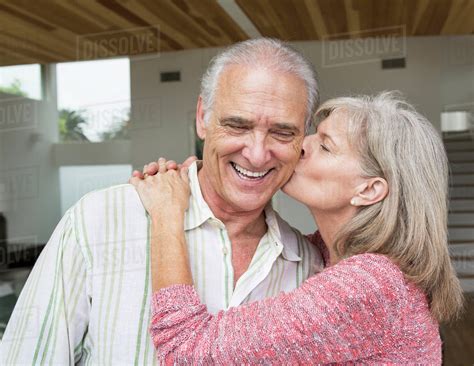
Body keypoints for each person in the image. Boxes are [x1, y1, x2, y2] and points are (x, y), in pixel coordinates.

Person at [0, 38, 324, 364]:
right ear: (202, 118)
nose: (256, 154)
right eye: (237, 125)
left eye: (282, 133)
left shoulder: (310, 270)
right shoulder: (98, 222)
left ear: (303, 138)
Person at [131, 92, 464, 364]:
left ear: (368, 190)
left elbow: (187, 351)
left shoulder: (369, 284)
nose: (301, 145)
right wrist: (214, 179)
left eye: (326, 145)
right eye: (312, 134)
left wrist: (167, 214)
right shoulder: (336, 255)